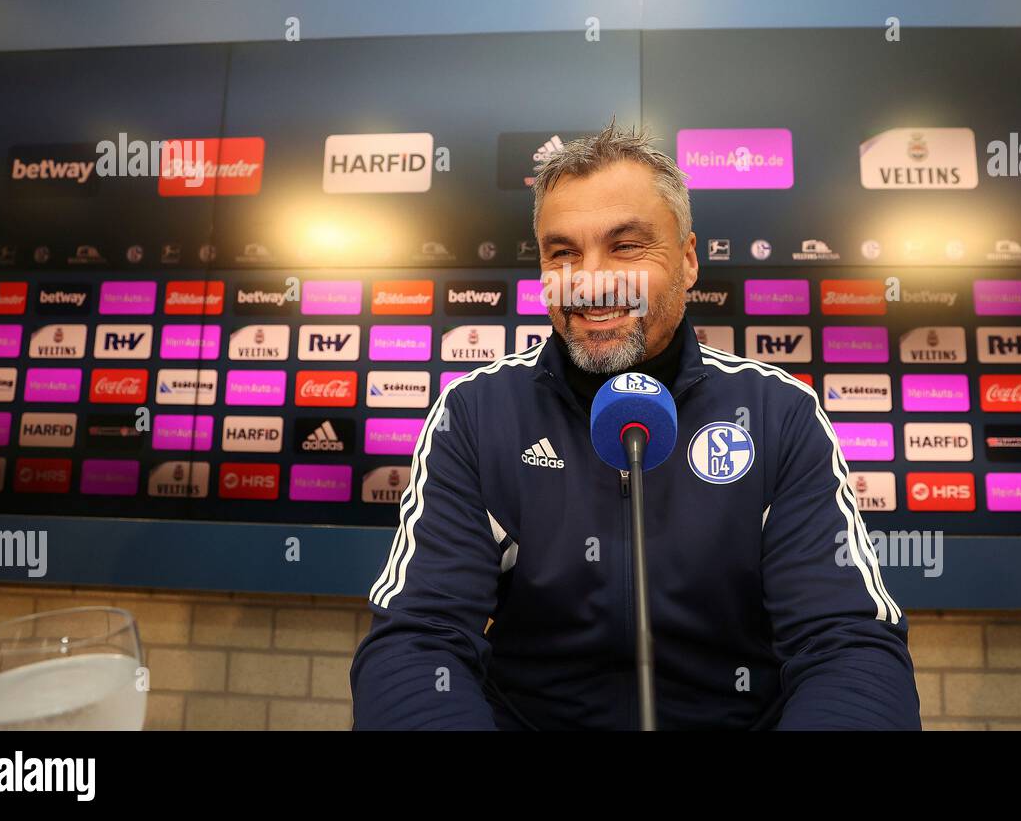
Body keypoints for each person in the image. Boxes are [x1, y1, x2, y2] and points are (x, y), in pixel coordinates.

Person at [351, 121, 921, 729]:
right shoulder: (475, 413)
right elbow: (418, 641)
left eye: (626, 246)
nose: (592, 280)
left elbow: (847, 647)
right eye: (563, 252)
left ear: (689, 259)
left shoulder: (779, 414)